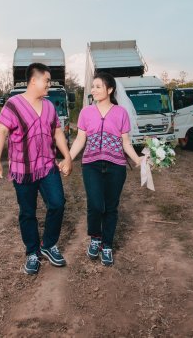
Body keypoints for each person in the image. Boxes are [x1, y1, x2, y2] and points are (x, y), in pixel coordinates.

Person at [0, 62, 73, 275]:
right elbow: (1, 133)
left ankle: (48, 244)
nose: (49, 85)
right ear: (33, 80)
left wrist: (68, 156)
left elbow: (57, 132)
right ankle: (33, 253)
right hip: (22, 169)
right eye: (46, 81)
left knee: (57, 204)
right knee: (28, 213)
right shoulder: (13, 105)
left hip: (47, 166)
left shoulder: (50, 106)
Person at [69, 72, 142, 266]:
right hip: (91, 164)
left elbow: (126, 142)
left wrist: (137, 160)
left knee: (111, 207)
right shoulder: (86, 112)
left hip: (116, 166)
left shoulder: (121, 113)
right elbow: (80, 139)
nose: (93, 90)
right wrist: (68, 158)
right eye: (93, 86)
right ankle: (95, 238)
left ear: (110, 90)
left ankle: (107, 245)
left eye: (98, 86)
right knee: (95, 205)